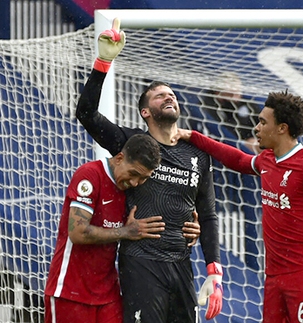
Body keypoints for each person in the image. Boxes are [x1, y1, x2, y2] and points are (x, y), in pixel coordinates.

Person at [75, 19, 222, 322]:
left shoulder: (198, 153)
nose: (169, 97)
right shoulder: (129, 144)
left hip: (182, 264)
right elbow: (86, 113)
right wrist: (103, 62)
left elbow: (206, 215)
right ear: (145, 111)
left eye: (172, 95)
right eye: (160, 95)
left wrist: (214, 270)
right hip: (141, 264)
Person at [177, 90, 303, 322]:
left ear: (282, 128)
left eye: (262, 122)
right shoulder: (267, 160)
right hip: (273, 275)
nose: (256, 128)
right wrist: (192, 136)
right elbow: (239, 160)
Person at [44, 134, 165, 323]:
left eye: (143, 178)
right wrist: (125, 232)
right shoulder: (90, 175)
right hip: (69, 292)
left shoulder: (132, 190)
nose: (135, 183)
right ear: (119, 159)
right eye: (133, 174)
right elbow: (77, 232)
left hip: (108, 295)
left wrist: (191, 223)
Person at [186, 71, 261, 154]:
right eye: (231, 94)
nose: (236, 97)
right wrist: (243, 144)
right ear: (218, 93)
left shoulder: (246, 103)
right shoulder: (206, 108)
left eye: (238, 92)